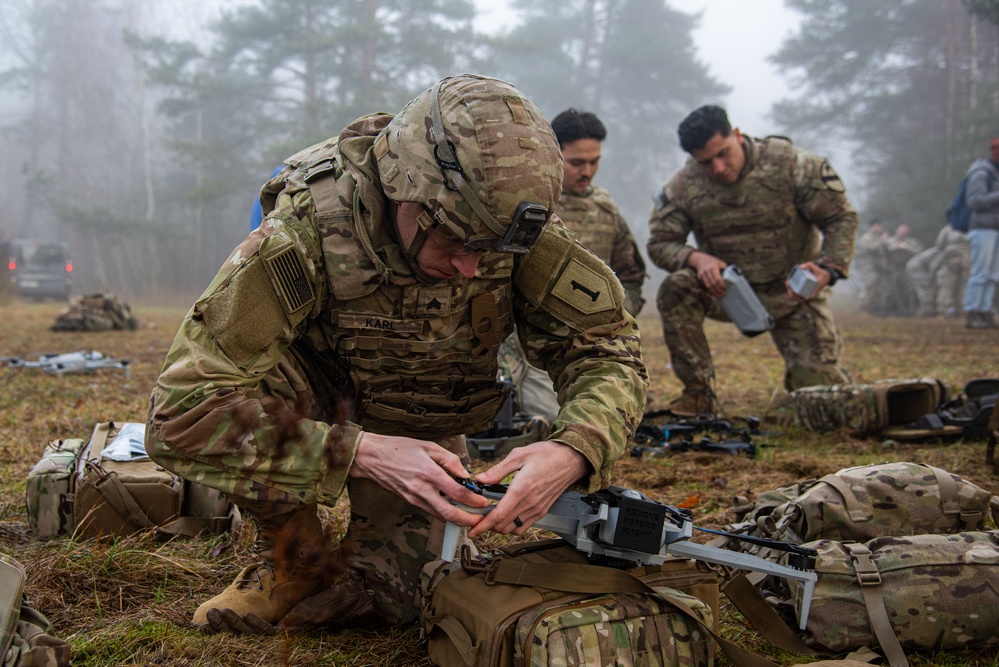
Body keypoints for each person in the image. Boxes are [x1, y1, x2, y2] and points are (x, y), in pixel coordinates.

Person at [144, 74, 648, 635]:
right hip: (316, 404)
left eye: (489, 250)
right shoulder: (309, 225)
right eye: (455, 242)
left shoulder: (507, 224)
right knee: (253, 392)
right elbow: (181, 411)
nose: (471, 269)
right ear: (404, 191)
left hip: (423, 417)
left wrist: (574, 449)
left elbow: (607, 351)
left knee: (400, 604)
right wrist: (357, 451)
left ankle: (372, 565)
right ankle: (292, 555)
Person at [646, 105, 857, 417]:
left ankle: (809, 384)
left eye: (723, 153)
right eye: (705, 162)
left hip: (792, 293)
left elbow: (840, 218)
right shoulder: (682, 187)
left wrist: (827, 268)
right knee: (678, 286)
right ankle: (697, 394)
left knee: (822, 400)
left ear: (736, 134)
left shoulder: (792, 166)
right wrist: (695, 257)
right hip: (727, 292)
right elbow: (660, 242)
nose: (718, 168)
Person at [499, 108, 647, 426]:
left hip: (591, 338)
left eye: (595, 162)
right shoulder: (528, 207)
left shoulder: (606, 211)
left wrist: (615, 315)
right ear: (554, 153)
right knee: (546, 420)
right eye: (578, 162)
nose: (588, 171)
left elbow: (632, 275)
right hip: (532, 339)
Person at [962, 137, 999, 329]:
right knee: (980, 273)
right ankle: (972, 311)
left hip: (996, 229)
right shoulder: (981, 172)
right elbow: (975, 201)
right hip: (982, 228)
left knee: (993, 274)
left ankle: (985, 311)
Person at [905, 223, 970, 318]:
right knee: (961, 286)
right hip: (965, 259)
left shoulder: (949, 228)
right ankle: (959, 310)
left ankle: (943, 311)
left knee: (947, 286)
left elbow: (940, 243)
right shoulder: (971, 227)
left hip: (950, 260)